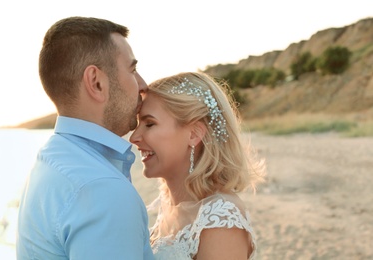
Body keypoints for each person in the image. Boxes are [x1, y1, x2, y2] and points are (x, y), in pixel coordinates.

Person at [16, 16, 154, 259]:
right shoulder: (101, 188)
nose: (143, 85)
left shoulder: (50, 160)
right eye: (132, 69)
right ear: (96, 82)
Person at [130, 71, 266, 259]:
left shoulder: (221, 219)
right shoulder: (169, 204)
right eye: (138, 124)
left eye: (149, 123)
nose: (134, 137)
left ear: (194, 134)